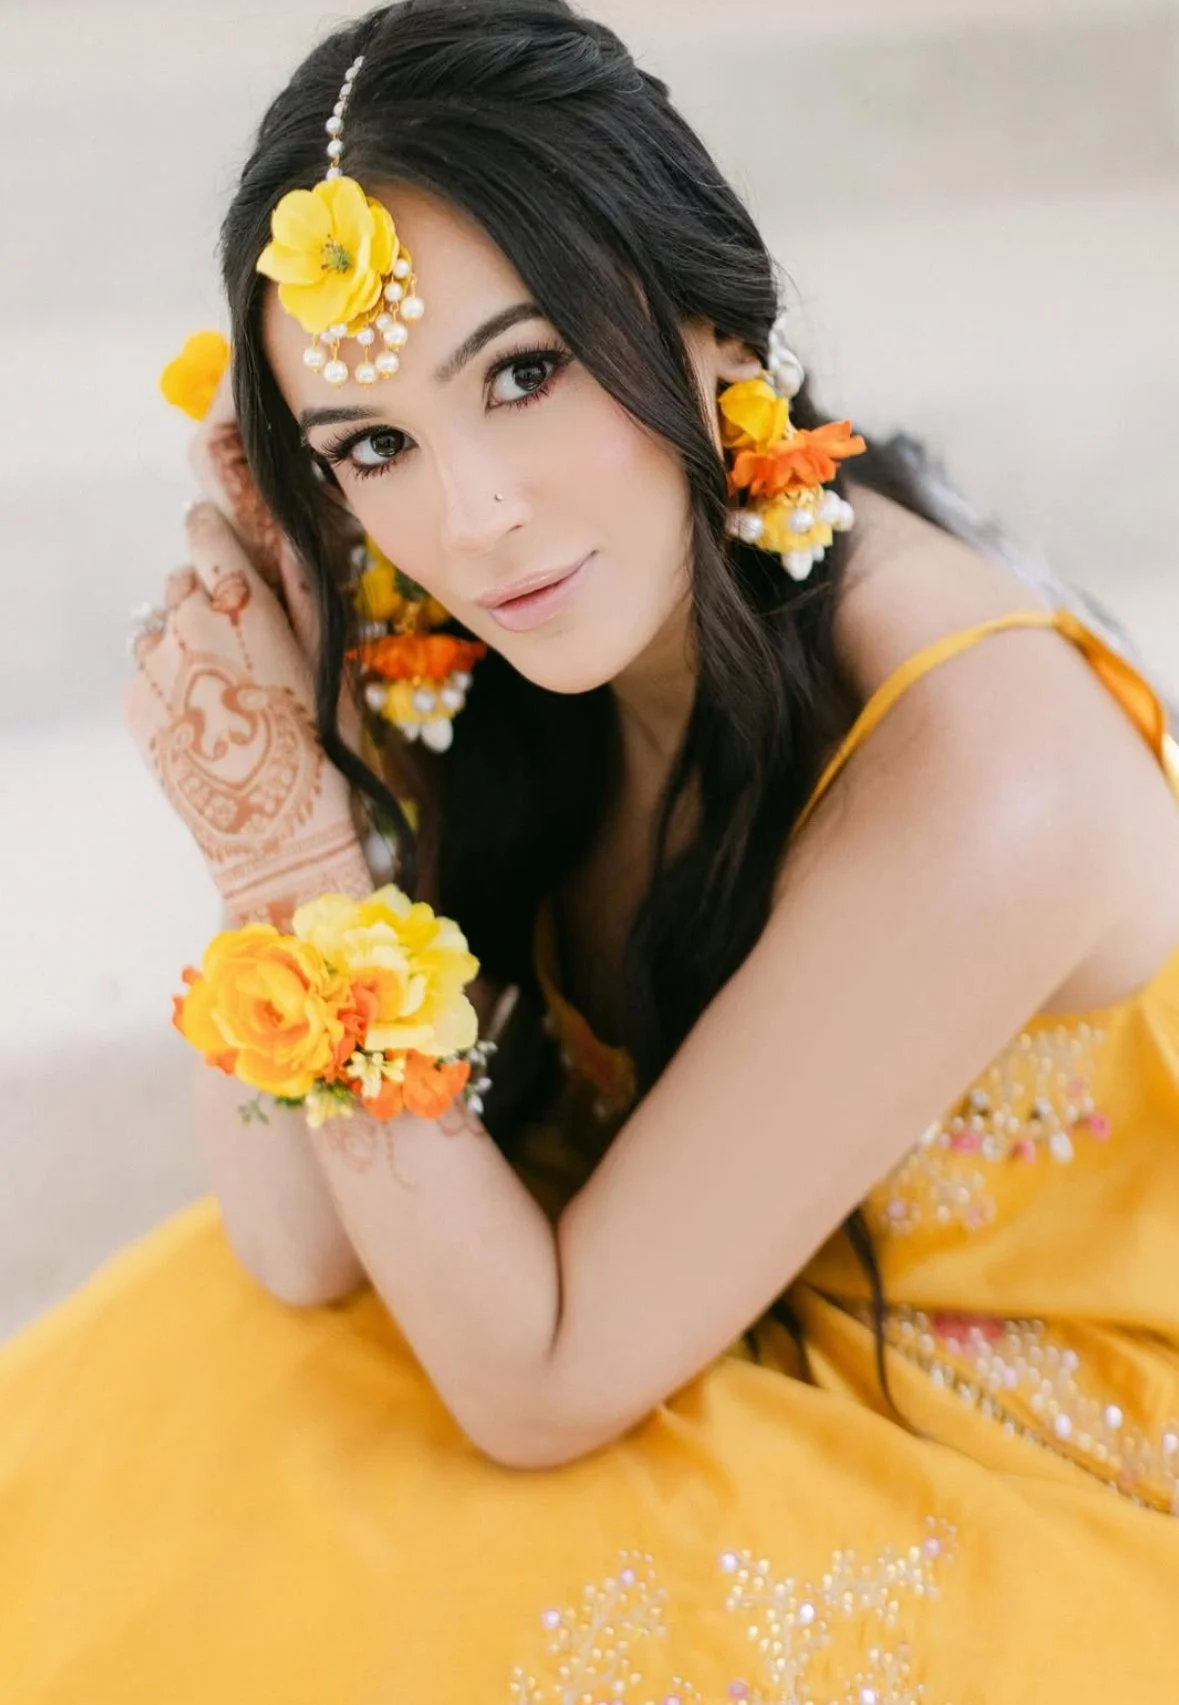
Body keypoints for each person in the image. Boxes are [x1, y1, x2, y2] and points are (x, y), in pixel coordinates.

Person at [4, 2, 1179, 1698]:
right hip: (655, 1318)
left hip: (1022, 1446)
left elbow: (536, 1385)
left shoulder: (983, 771)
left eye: (526, 371)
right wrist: (308, 756)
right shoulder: (474, 627)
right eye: (373, 445)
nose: (472, 512)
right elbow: (297, 1246)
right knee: (178, 1401)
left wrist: (288, 872)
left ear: (705, 313)